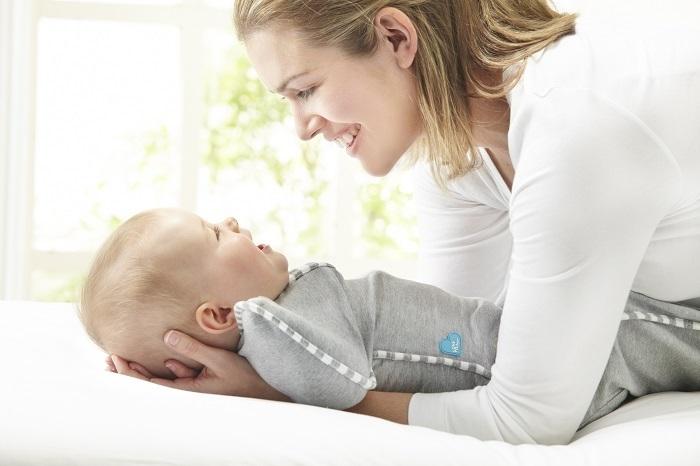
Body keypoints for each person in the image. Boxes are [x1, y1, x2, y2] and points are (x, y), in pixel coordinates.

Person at [112, 1, 700, 444]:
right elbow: (468, 348)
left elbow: (527, 419)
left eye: (306, 89)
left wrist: (279, 394)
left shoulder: (576, 125)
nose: (301, 127)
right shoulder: (458, 159)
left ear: (396, 37)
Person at [85, 207, 700, 431]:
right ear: (221, 314)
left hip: (538, 340)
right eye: (216, 235)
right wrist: (263, 350)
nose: (233, 222)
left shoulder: (289, 320)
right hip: (565, 358)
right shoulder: (280, 328)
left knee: (664, 322)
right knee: (655, 330)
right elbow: (340, 382)